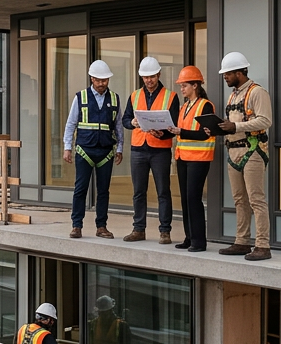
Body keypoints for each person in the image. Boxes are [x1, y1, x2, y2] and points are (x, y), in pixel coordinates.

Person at [216, 52, 274, 261]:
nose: (225, 77)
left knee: (256, 199)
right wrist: (220, 127)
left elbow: (265, 121)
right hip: (234, 151)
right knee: (240, 200)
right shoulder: (233, 95)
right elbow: (235, 124)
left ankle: (262, 245)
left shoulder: (257, 93)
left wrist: (236, 126)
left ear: (239, 72)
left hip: (253, 151)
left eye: (228, 73)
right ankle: (242, 241)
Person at [121, 57, 180, 244]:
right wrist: (132, 122)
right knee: (139, 191)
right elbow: (125, 119)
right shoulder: (134, 95)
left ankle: (165, 231)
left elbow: (174, 126)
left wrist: (161, 134)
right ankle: (138, 229)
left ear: (159, 75)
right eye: (146, 77)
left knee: (163, 191)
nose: (149, 80)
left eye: (152, 77)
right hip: (138, 148)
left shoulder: (171, 97)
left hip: (160, 150)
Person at [63, 60, 124, 239]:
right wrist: (67, 147)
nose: (101, 84)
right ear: (91, 78)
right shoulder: (80, 97)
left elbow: (118, 125)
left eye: (104, 80)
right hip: (85, 150)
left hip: (106, 152)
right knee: (80, 189)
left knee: (103, 191)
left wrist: (119, 147)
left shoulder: (114, 98)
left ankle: (101, 226)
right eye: (98, 80)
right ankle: (76, 226)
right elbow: (71, 123)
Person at [169, 66, 216, 252]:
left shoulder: (205, 105)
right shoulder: (185, 106)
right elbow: (181, 131)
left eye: (184, 85)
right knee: (186, 200)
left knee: (193, 198)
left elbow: (204, 134)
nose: (181, 88)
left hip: (199, 158)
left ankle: (199, 241)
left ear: (195, 85)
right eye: (181, 85)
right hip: (183, 157)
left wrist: (181, 131)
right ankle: (189, 237)